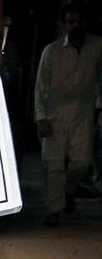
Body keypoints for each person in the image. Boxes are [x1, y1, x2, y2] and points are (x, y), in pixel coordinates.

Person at [35, 0, 102, 227]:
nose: (75, 25)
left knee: (82, 163)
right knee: (53, 165)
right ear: (64, 24)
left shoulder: (97, 47)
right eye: (71, 22)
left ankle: (67, 192)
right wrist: (40, 117)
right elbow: (40, 86)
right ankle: (55, 210)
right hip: (54, 113)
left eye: (79, 21)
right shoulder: (52, 51)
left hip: (83, 112)